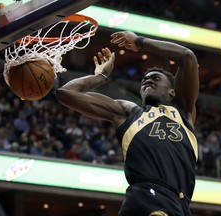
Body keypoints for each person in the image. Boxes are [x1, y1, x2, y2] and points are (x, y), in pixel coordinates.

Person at [56, 31, 199, 216]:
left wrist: (139, 42)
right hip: (148, 197)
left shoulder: (183, 112)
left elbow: (187, 57)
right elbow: (65, 93)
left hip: (182, 206)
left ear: (172, 92)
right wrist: (100, 77)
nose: (147, 80)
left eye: (156, 78)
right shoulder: (128, 112)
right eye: (144, 80)